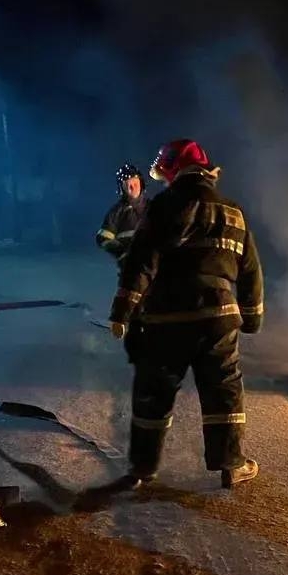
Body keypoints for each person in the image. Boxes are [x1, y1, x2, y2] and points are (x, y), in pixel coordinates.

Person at [107, 139, 263, 489]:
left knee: (154, 390)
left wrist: (122, 312)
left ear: (174, 172)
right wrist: (252, 316)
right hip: (218, 318)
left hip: (166, 318)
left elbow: (140, 262)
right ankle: (231, 465)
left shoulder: (161, 207)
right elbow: (250, 269)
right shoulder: (233, 211)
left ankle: (142, 469)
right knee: (223, 389)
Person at [95, 163, 149, 264]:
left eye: (135, 183)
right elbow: (103, 238)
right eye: (127, 185)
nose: (132, 187)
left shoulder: (153, 207)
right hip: (129, 266)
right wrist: (121, 253)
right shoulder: (116, 212)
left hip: (154, 265)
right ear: (122, 189)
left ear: (141, 184)